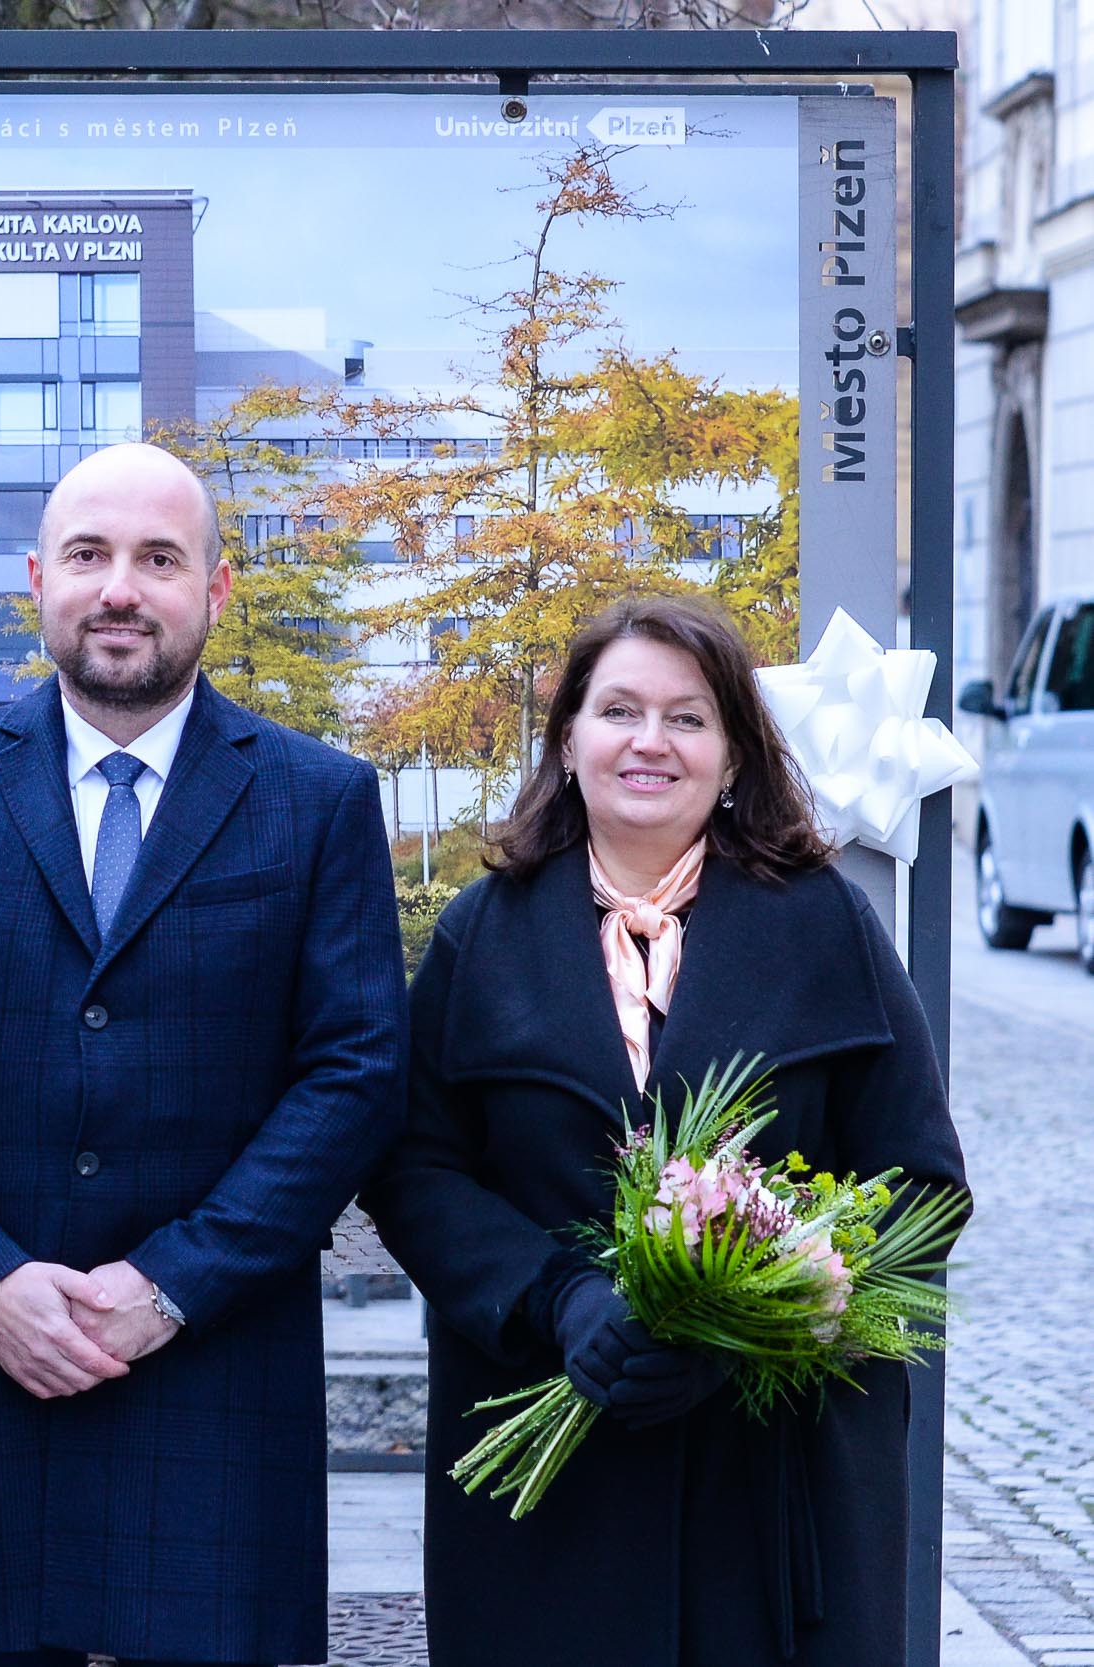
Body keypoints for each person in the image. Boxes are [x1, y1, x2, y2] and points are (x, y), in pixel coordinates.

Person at [0, 441, 408, 1667]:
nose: (120, 588)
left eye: (158, 557)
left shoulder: (318, 797)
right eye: (88, 555)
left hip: (213, 1362)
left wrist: (168, 1284)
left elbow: (352, 1069)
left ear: (216, 588)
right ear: (38, 578)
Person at [358, 594, 970, 1667]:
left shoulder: (825, 923)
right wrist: (561, 1296)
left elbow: (920, 1180)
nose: (650, 741)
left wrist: (763, 1309)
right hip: (555, 1473)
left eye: (687, 717)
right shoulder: (481, 934)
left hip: (780, 1481)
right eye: (619, 710)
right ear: (568, 739)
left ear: (732, 749)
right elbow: (414, 1164)